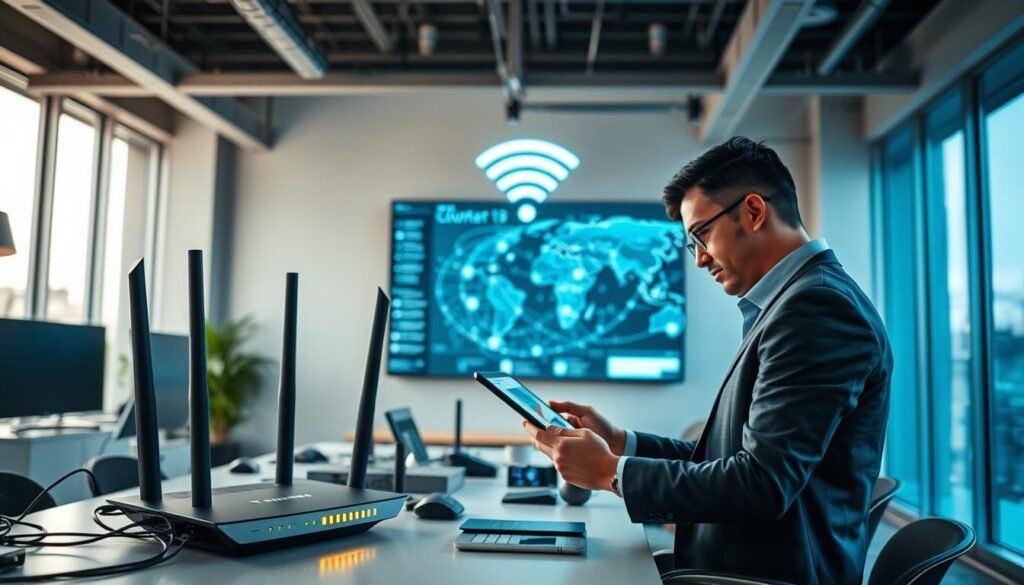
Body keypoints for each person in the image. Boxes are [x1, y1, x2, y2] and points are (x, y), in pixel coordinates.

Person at [523, 137, 893, 584]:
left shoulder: (815, 310)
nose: (698, 259)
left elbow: (761, 484)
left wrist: (609, 473)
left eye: (701, 235)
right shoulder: (792, 303)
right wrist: (621, 443)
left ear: (754, 212)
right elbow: (731, 458)